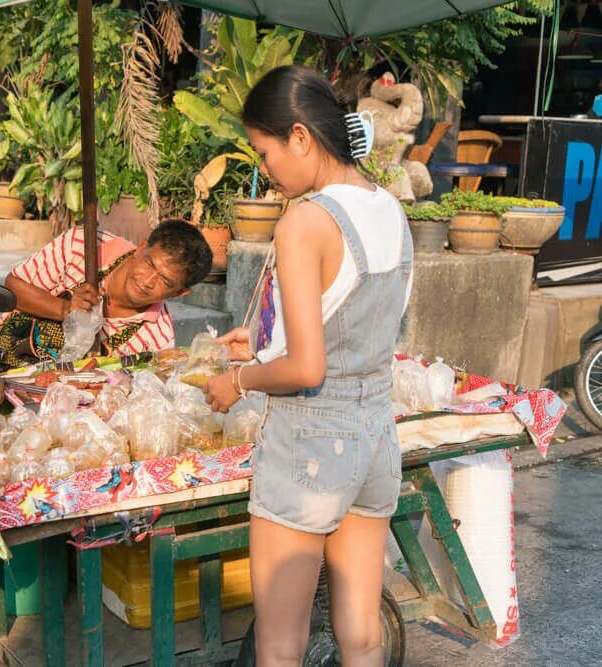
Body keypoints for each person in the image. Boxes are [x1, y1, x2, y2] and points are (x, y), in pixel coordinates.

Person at [202, 65, 413, 666]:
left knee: (280, 645)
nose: (266, 172)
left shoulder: (305, 221)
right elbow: (348, 320)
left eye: (264, 153)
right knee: (362, 633)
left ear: (299, 137)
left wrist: (238, 379)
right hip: (374, 436)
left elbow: (308, 370)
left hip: (312, 446)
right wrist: (265, 346)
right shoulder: (389, 208)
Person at [0, 219, 212, 368]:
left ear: (180, 293)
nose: (147, 281)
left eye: (164, 280)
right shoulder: (82, 244)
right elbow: (13, 285)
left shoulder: (157, 340)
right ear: (140, 248)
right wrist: (65, 309)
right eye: (149, 264)